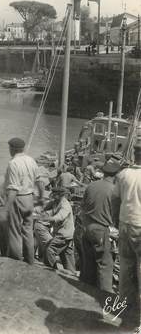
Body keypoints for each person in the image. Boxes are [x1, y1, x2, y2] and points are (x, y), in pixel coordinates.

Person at [112, 140, 141, 330]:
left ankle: (124, 307)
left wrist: (116, 220)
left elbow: (115, 199)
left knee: (125, 266)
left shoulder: (123, 174)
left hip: (124, 224)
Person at [80, 159, 120, 292]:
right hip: (101, 231)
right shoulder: (114, 190)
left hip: (86, 227)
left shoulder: (91, 186)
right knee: (105, 266)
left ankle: (83, 293)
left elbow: (83, 207)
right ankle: (105, 300)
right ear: (116, 174)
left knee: (88, 265)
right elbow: (116, 215)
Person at [4, 137, 44, 264]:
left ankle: (16, 260)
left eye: (10, 148)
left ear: (13, 149)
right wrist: (41, 197)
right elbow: (39, 181)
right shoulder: (31, 160)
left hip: (18, 198)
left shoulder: (13, 163)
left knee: (15, 231)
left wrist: (6, 207)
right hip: (29, 198)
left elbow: (13, 189)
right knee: (28, 230)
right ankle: (30, 260)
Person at [43, 187, 76, 272]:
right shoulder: (55, 202)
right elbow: (46, 209)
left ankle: (51, 272)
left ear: (59, 195)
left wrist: (49, 219)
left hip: (64, 235)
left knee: (49, 249)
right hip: (63, 234)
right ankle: (72, 274)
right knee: (67, 257)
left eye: (54, 194)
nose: (53, 196)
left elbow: (60, 216)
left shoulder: (65, 204)